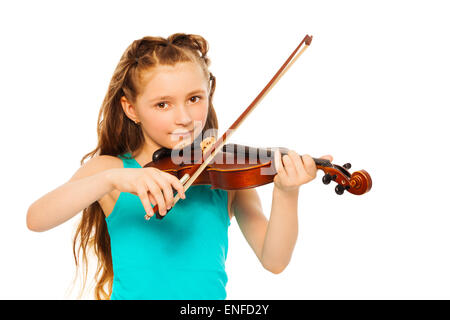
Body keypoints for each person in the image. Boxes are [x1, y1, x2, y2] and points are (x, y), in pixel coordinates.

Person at [26, 33, 333, 300]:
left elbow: (274, 260)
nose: (184, 117)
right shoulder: (111, 169)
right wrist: (112, 179)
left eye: (195, 98)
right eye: (163, 104)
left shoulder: (224, 175)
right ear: (131, 108)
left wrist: (287, 192)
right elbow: (36, 219)